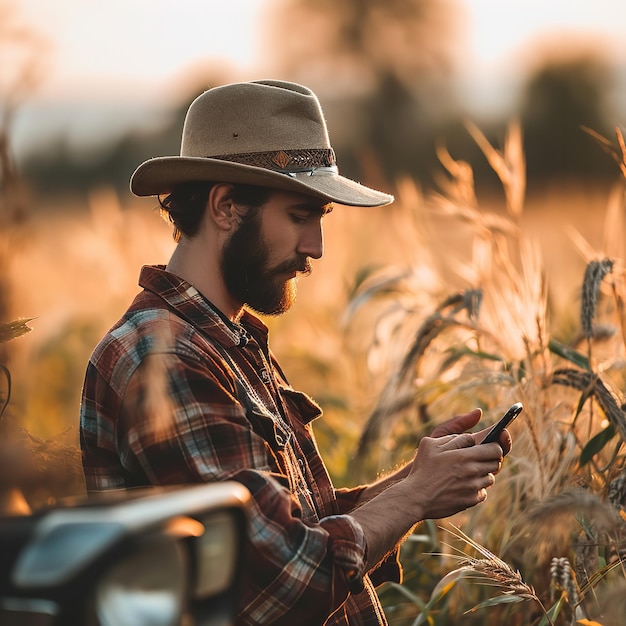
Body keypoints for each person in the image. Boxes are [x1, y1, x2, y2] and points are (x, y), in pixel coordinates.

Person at [79, 80, 511, 626]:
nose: (316, 247)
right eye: (301, 215)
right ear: (226, 206)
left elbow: (294, 526)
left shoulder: (223, 341)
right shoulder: (164, 361)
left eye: (320, 219)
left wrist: (415, 480)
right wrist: (416, 498)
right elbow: (280, 579)